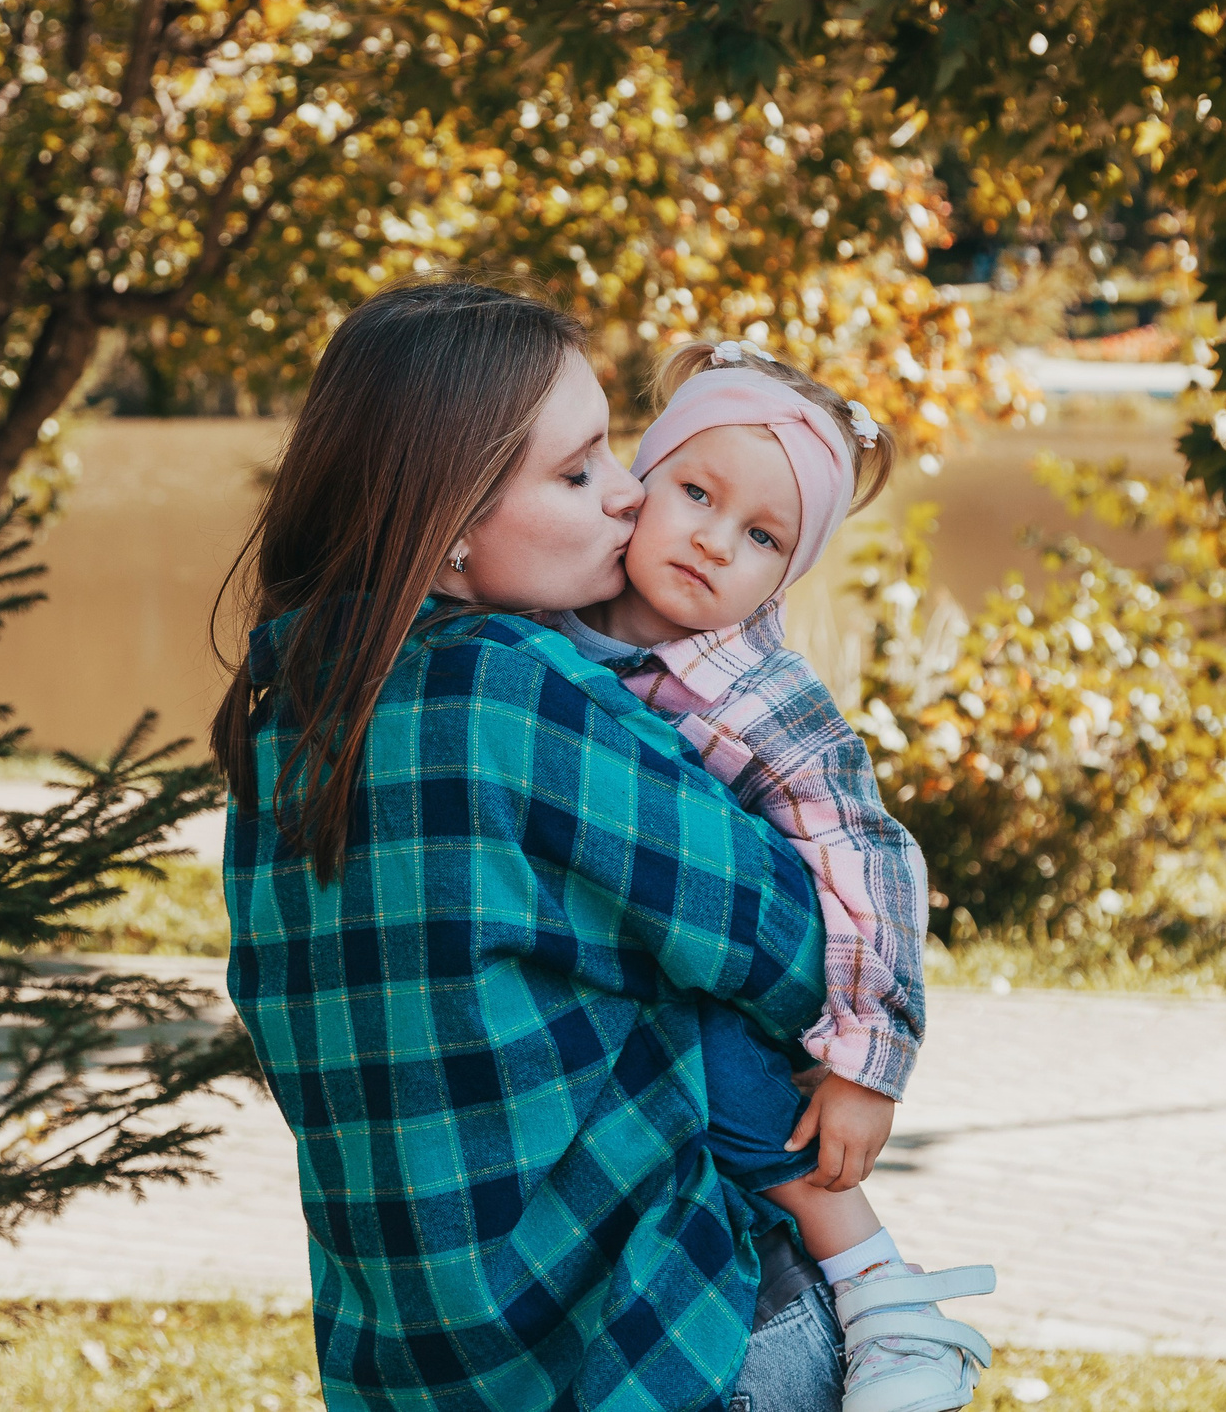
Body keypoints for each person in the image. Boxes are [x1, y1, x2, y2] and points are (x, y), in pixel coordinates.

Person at [214, 281, 846, 1412]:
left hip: (416, 1366)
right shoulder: (513, 693)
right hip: (662, 1339)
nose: (629, 499)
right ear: (450, 525)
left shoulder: (285, 713)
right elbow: (796, 950)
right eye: (579, 470)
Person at [553, 340, 996, 1412]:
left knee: (738, 1093)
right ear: (636, 486)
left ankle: (884, 1298)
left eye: (761, 537)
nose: (713, 542)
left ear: (787, 575)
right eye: (695, 494)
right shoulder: (546, 622)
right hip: (619, 970)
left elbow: (870, 856)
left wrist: (866, 1060)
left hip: (739, 997)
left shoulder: (758, 689)